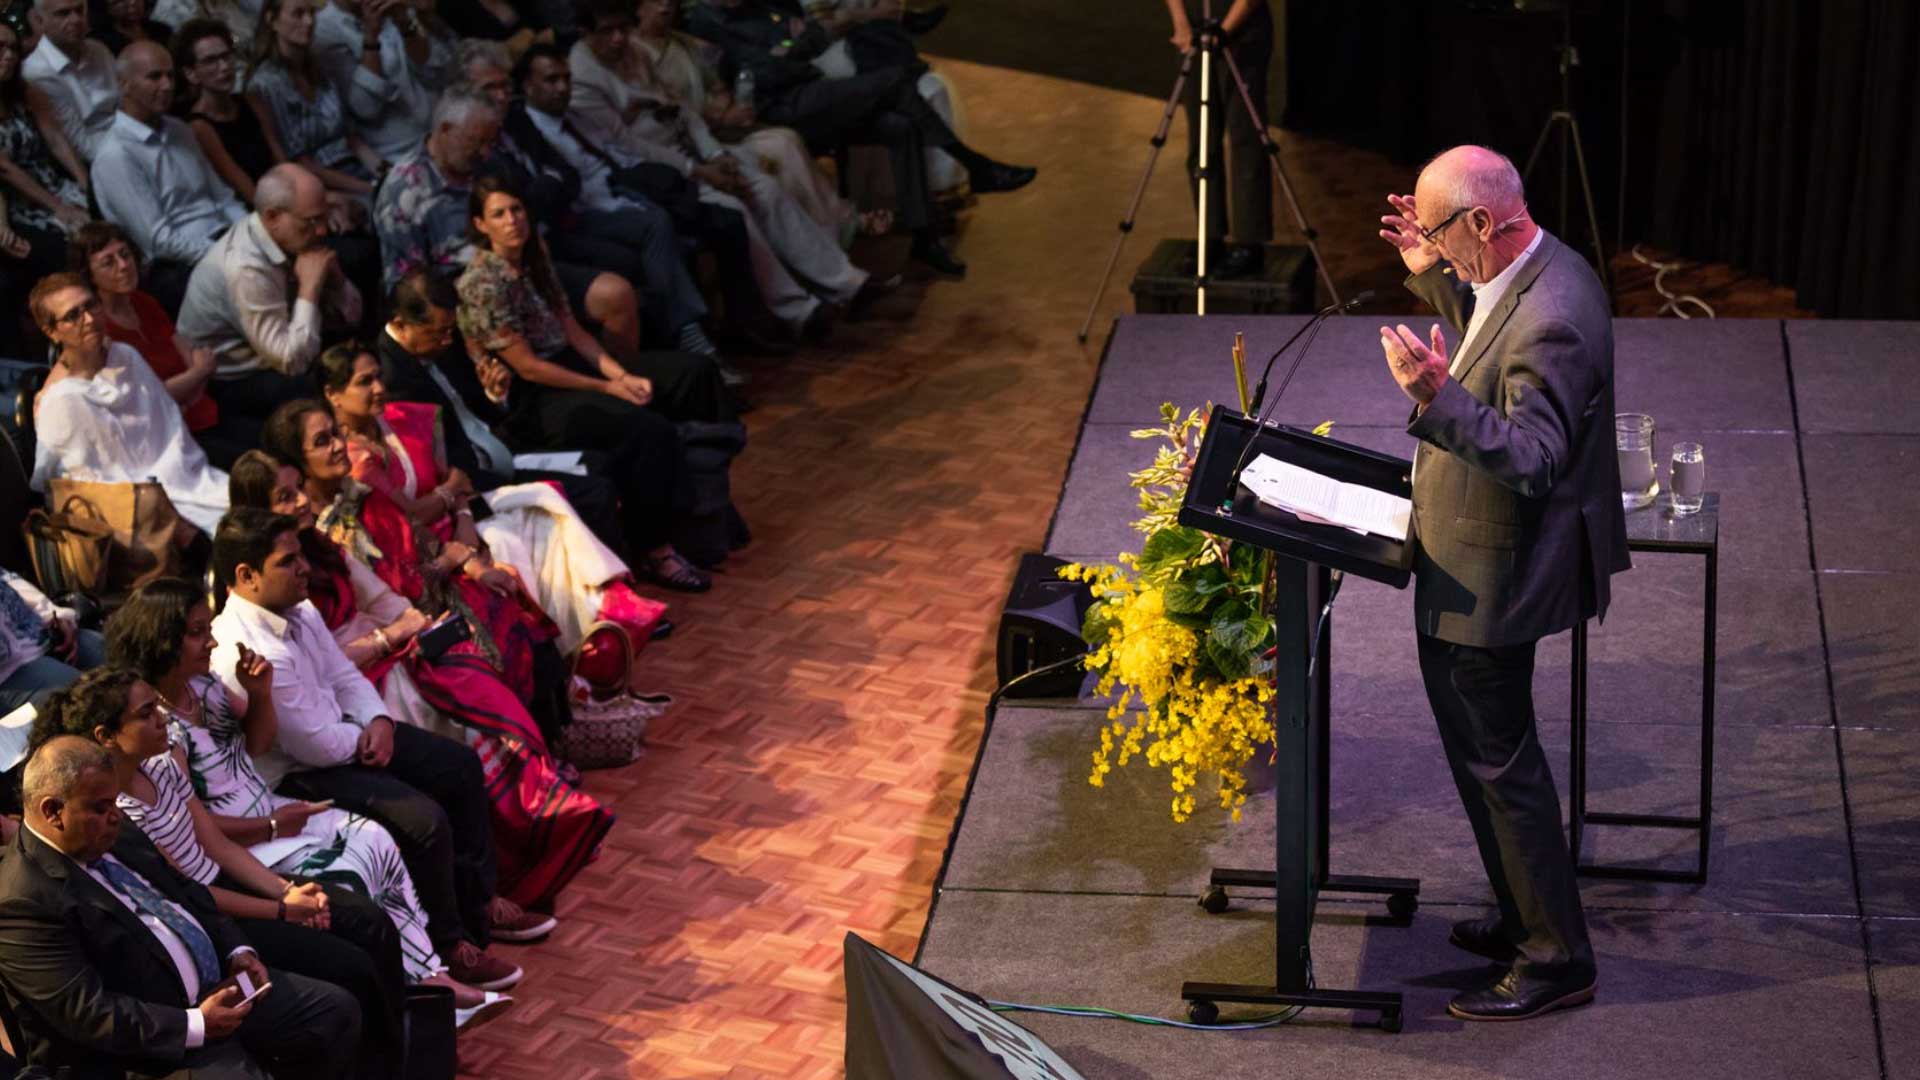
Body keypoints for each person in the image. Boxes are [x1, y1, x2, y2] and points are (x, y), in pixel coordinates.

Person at [1375, 144, 1629, 1021]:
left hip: (1495, 576)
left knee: (1500, 765)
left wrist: (1438, 398)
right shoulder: (1538, 265)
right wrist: (1430, 276)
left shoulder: (1554, 315)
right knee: (1485, 758)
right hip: (1472, 561)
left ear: (1485, 220)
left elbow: (1534, 458)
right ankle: (1526, 917)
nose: (1438, 249)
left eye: (1443, 233)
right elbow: (1490, 325)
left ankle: (1557, 958)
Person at [105, 578, 511, 1025]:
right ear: (163, 639)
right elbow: (199, 831)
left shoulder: (205, 688)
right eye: (198, 632)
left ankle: (432, 975)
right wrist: (274, 828)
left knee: (376, 838)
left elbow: (258, 743)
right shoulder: (159, 730)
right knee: (350, 873)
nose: (212, 641)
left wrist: (258, 692)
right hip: (249, 833)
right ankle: (418, 995)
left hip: (269, 809)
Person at [228, 449, 619, 905]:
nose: (299, 503)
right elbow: (316, 713)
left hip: (365, 687)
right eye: (283, 496)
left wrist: (392, 675)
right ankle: (507, 871)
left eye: (298, 490)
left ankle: (533, 827)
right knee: (438, 742)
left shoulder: (310, 560)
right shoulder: (253, 618)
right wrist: (385, 655)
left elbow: (377, 612)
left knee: (468, 679)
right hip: (326, 736)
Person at [25, 666, 422, 1065]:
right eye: (145, 714)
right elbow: (183, 892)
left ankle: (406, 1048)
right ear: (106, 736)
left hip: (226, 886)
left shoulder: (161, 766)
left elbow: (213, 842)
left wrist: (286, 891)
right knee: (348, 968)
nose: (162, 718)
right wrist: (282, 910)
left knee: (368, 921)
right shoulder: (118, 818)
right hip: (214, 906)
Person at [208, 507, 533, 992]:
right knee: (423, 822)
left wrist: (378, 720)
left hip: (350, 738)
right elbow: (312, 744)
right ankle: (449, 949)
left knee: (459, 765)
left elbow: (343, 674)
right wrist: (366, 735)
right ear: (245, 575)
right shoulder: (243, 648)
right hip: (298, 773)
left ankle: (478, 906)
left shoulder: (300, 609)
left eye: (301, 557)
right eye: (288, 561)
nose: (305, 569)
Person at [0, 733, 363, 1079]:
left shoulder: (112, 828)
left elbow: (186, 891)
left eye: (114, 802)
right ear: (53, 811)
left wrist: (237, 949)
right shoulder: (21, 899)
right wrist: (197, 1024)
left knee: (335, 1010)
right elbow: (89, 1014)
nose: (115, 815)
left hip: (216, 990)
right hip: (148, 1045)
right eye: (101, 807)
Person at [317, 340, 667, 643]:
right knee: (510, 543)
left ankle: (608, 613)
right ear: (332, 395)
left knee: (545, 510)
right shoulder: (351, 459)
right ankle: (584, 633)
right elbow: (408, 517)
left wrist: (461, 510)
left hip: (461, 519)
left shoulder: (404, 419)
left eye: (378, 376)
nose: (379, 387)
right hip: (424, 552)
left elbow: (455, 481)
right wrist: (452, 497)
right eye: (364, 382)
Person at [381, 269, 692, 590]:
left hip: (500, 450)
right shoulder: (390, 378)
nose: (447, 340)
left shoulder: (440, 345)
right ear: (403, 324)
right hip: (474, 481)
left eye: (450, 331)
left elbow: (479, 409)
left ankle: (645, 557)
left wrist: (493, 395)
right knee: (592, 493)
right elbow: (432, 457)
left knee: (605, 462)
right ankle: (614, 600)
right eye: (438, 333)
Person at [376, 84, 724, 368]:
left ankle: (626, 383)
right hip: (471, 293)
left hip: (527, 264)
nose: (484, 152)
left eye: (489, 143)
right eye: (476, 142)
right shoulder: (404, 191)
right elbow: (404, 285)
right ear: (446, 130)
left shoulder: (487, 165)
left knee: (615, 294)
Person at [549, 38, 877, 338]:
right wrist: (699, 170)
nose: (618, 37)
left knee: (764, 188)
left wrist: (715, 154)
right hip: (662, 173)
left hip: (693, 152)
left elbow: (683, 110)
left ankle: (847, 283)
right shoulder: (582, 78)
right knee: (734, 211)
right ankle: (798, 311)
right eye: (609, 30)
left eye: (623, 26)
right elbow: (630, 147)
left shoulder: (636, 52)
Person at [686, 0, 1036, 277]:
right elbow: (763, 68)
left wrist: (790, 45)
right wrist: (791, 45)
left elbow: (807, 37)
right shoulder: (706, 20)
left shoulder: (760, 5)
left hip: (811, 90)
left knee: (901, 125)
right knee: (895, 81)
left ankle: (925, 235)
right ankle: (977, 166)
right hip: (779, 109)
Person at [461, 171, 735, 431]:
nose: (512, 220)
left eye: (516, 209)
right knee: (635, 417)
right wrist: (606, 387)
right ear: (481, 224)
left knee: (696, 371)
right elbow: (529, 368)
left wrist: (620, 376)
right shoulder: (483, 283)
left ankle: (717, 448)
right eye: (499, 214)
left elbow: (573, 329)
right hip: (538, 392)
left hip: (571, 360)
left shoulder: (535, 253)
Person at [632, 0, 891, 251]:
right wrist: (719, 118)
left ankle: (838, 224)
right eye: (655, 1)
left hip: (720, 126)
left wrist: (725, 104)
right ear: (637, 7)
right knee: (781, 148)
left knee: (788, 139)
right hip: (687, 141)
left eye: (669, 0)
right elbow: (667, 112)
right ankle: (828, 234)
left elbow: (717, 85)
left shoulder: (684, 44)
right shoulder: (635, 53)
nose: (664, 5)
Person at [27, 272, 230, 535]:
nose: (88, 319)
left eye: (90, 305)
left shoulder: (125, 355)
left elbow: (166, 425)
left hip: (181, 476)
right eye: (72, 315)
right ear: (52, 332)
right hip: (127, 514)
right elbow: (81, 483)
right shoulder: (60, 399)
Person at [177, 162, 364, 448]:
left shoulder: (297, 238)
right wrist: (310, 288)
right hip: (234, 378)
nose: (322, 230)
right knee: (326, 384)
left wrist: (336, 281)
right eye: (311, 221)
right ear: (273, 216)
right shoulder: (244, 269)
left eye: (323, 217)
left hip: (282, 346)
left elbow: (353, 317)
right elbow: (292, 362)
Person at [89, 38, 248, 311]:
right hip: (176, 266)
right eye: (154, 77)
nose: (167, 85)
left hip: (221, 240)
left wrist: (252, 234)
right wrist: (227, 256)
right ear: (124, 84)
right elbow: (159, 241)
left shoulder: (179, 130)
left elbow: (223, 198)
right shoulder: (116, 155)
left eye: (170, 76)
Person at [72, 220, 247, 468]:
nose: (123, 266)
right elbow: (149, 398)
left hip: (199, 407)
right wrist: (195, 375)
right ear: (89, 276)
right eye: (108, 262)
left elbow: (193, 357)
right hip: (168, 437)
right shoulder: (100, 333)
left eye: (125, 254)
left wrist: (189, 384)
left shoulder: (144, 302)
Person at [1164, 0, 1272, 277]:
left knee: (1246, 140)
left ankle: (1249, 241)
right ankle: (1209, 235)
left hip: (1242, 36)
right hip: (1194, 37)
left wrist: (1225, 30)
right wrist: (1181, 23)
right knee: (1201, 142)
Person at [245, 0, 379, 195]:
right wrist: (370, 189)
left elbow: (352, 139)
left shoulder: (319, 68)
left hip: (357, 167)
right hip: (323, 186)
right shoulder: (265, 85)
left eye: (312, 13)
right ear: (272, 21)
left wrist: (383, 170)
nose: (309, 21)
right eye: (298, 14)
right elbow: (299, 162)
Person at [0, 5, 89, 283]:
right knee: (67, 247)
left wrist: (86, 183)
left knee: (100, 218)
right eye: (0, 47)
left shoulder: (25, 91)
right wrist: (57, 208)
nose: (9, 55)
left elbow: (55, 139)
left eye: (14, 48)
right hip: (18, 199)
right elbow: (5, 169)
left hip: (52, 180)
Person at [311, 0, 454, 165]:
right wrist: (371, 37)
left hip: (440, 131)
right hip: (399, 153)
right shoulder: (323, 28)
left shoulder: (389, 7)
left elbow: (434, 76)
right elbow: (366, 109)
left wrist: (404, 23)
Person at [175, 16, 283, 204]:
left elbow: (280, 159)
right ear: (191, 73)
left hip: (285, 190)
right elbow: (244, 188)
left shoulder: (251, 101)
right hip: (256, 208)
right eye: (210, 61)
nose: (224, 67)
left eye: (226, 56)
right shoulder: (199, 126)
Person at [0, 565, 104, 715]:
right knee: (88, 699)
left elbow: (7, 579)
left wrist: (54, 615)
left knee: (117, 655)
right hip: (11, 673)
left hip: (40, 635)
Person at [21, 0, 117, 161]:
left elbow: (127, 103)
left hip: (131, 136)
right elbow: (81, 144)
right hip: (104, 157)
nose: (76, 19)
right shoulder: (37, 72)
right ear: (39, 21)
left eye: (79, 10)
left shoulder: (99, 49)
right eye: (63, 13)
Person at [93, 0, 173, 54]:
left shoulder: (162, 31)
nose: (132, 2)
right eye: (121, 0)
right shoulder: (100, 42)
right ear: (108, 7)